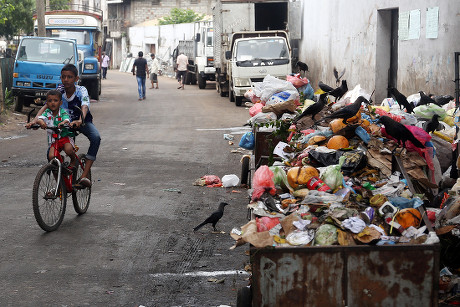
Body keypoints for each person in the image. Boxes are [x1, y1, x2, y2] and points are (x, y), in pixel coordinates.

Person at [27, 64, 101, 188]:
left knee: (96, 137)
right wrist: (35, 120)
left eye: (70, 77)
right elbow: (45, 107)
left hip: (81, 122)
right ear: (60, 78)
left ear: (76, 78)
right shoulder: (59, 90)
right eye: (63, 77)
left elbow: (85, 106)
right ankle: (60, 185)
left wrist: (79, 120)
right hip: (62, 124)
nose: (66, 79)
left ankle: (84, 175)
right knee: (50, 154)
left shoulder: (81, 90)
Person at [36, 90, 77, 169]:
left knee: (68, 150)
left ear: (60, 103)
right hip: (54, 140)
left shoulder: (62, 112)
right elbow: (39, 118)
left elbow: (66, 119)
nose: (53, 103)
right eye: (50, 101)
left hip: (64, 137)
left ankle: (73, 159)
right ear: (47, 103)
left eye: (55, 100)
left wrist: (63, 123)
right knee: (51, 156)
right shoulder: (47, 113)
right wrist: (41, 122)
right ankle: (61, 164)